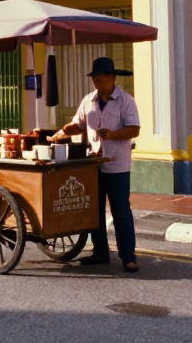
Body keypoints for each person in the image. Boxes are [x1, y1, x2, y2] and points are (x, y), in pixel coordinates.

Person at [51, 56, 140, 273]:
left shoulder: (126, 101)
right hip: (92, 166)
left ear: (111, 78)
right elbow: (78, 124)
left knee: (121, 211)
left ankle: (128, 256)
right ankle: (100, 252)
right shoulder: (88, 101)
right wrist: (62, 132)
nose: (96, 84)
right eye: (94, 80)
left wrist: (112, 134)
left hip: (117, 166)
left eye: (99, 79)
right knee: (94, 211)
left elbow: (134, 129)